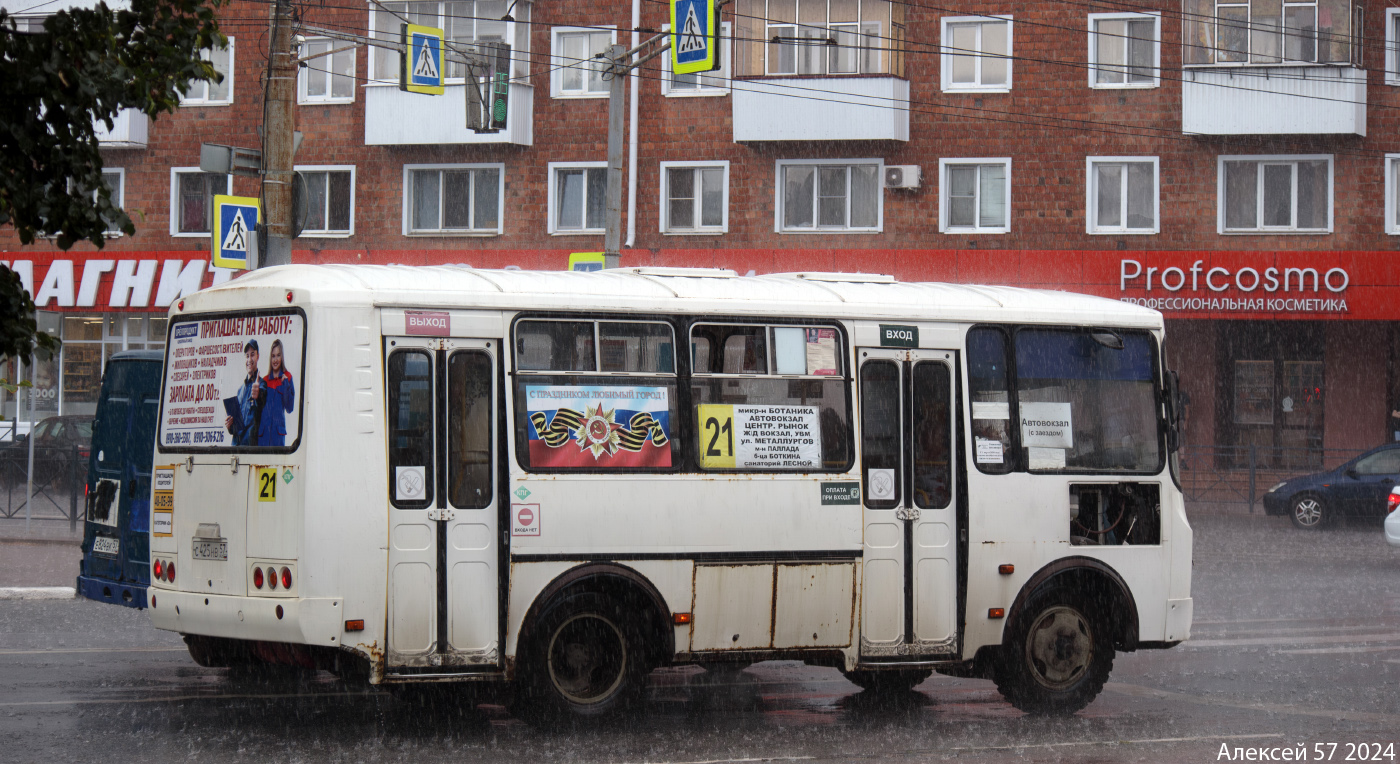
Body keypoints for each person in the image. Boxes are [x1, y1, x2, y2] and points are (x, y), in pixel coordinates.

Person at [225, 340, 264, 447]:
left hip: (249, 451)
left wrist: (258, 395)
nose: (249, 359)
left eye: (252, 355)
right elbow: (236, 428)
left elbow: (263, 400)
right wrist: (230, 426)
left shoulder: (261, 384)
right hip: (235, 449)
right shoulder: (240, 390)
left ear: (258, 356)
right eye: (247, 356)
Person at [257, 339, 295, 447]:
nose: (275, 359)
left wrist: (286, 385)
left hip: (277, 438)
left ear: (282, 357)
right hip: (263, 438)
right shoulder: (264, 381)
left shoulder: (288, 377)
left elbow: (289, 408)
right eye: (273, 356)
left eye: (278, 355)